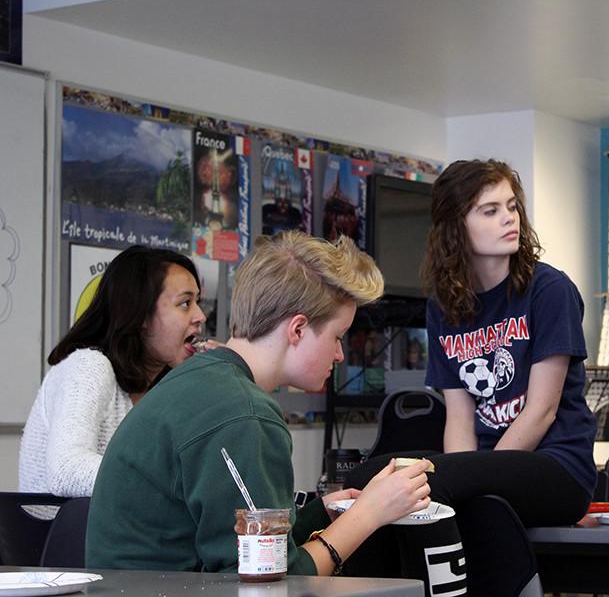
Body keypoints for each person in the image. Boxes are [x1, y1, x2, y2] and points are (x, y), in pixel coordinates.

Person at [86, 232, 431, 576]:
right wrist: (368, 515)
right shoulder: (242, 414)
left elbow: (234, 539)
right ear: (297, 329)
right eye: (337, 336)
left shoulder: (204, 382)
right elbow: (270, 581)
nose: (340, 354)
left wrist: (319, 513)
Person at [344, 159, 597, 596]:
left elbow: (541, 411)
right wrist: (463, 473)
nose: (509, 219)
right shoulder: (444, 305)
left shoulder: (548, 289)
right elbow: (459, 417)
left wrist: (466, 474)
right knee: (368, 476)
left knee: (426, 482)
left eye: (512, 207)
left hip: (557, 467)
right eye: (490, 210)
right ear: (456, 227)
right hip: (486, 463)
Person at [19, 246, 207, 498]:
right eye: (185, 303)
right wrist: (168, 481)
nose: (201, 316)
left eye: (198, 302)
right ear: (141, 313)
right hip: (63, 535)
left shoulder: (162, 390)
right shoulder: (89, 366)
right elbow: (65, 471)